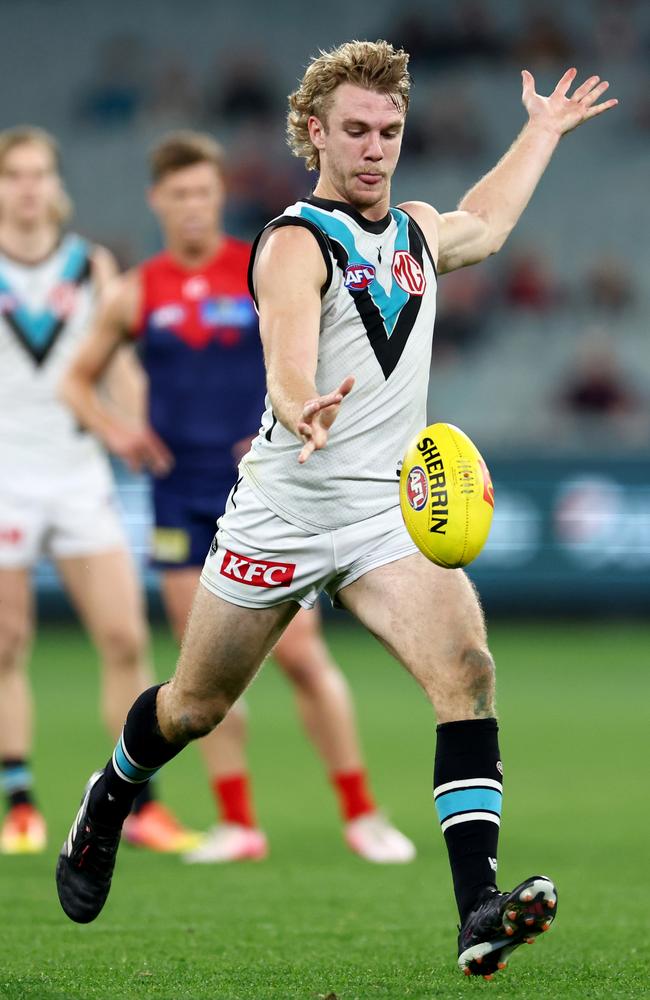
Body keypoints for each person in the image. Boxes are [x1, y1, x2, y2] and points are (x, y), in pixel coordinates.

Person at [55, 42, 617, 978]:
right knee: (194, 707)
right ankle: (111, 794)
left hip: (385, 517)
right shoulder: (291, 241)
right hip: (282, 511)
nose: (375, 149)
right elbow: (283, 344)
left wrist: (541, 131)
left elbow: (482, 222)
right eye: (356, 130)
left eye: (390, 131)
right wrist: (293, 398)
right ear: (314, 131)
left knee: (467, 670)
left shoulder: (416, 233)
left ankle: (478, 906)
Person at [60, 130, 415, 864]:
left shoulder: (261, 264)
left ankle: (361, 812)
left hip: (264, 492)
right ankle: (238, 823)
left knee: (303, 657)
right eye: (179, 194)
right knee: (204, 670)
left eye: (205, 192)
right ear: (158, 200)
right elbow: (75, 378)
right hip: (176, 499)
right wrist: (117, 430)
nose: (193, 206)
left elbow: (311, 354)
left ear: (220, 196)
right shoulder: (137, 290)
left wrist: (286, 418)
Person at [0, 126, 196, 854]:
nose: (27, 187)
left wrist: (140, 424)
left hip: (80, 475)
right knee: (8, 644)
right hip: (6, 477)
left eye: (38, 173)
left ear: (55, 184)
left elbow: (118, 365)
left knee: (122, 638)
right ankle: (19, 800)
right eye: (14, 174)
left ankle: (141, 804)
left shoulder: (89, 267)